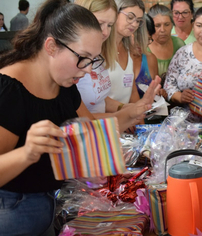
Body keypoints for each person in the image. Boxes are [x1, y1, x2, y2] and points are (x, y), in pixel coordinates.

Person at [0, 1, 160, 234]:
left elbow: (91, 131)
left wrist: (132, 112)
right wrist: (27, 153)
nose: (87, 69)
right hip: (13, 211)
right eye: (83, 57)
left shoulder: (64, 82)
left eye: (92, 59)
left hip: (49, 203)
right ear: (51, 46)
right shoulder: (9, 91)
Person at [108, 0, 147, 105]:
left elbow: (132, 90)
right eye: (130, 17)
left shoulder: (128, 48)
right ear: (115, 13)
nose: (134, 24)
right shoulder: (99, 49)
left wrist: (139, 117)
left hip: (125, 118)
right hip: (102, 119)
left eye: (138, 21)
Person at [148, 3, 185, 80]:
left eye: (167, 24)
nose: (163, 30)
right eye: (157, 26)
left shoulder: (179, 44)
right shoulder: (144, 48)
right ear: (150, 27)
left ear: (172, 25)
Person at [132, 13, 160, 98]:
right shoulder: (118, 59)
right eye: (139, 39)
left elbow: (155, 91)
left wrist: (159, 92)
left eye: (147, 39)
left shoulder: (150, 59)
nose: (142, 44)